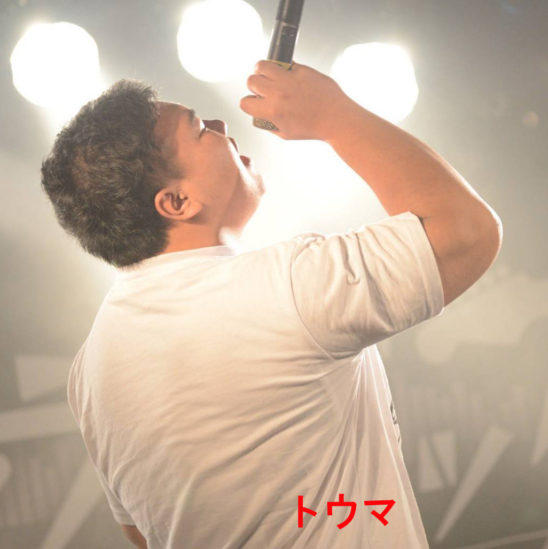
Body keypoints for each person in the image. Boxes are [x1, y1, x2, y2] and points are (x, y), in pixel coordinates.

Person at [40, 60, 502, 549]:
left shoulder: (88, 372)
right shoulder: (286, 288)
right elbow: (467, 232)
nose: (221, 124)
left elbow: (145, 532)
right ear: (176, 202)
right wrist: (333, 114)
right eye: (199, 129)